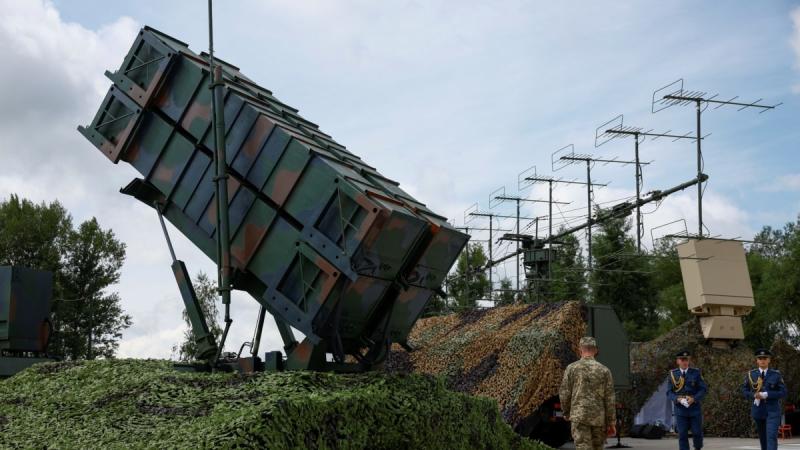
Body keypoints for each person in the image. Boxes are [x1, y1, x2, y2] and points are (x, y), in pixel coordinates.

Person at [559, 336, 616, 450]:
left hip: (579, 417)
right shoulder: (605, 370)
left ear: (580, 349)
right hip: (599, 418)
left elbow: (565, 393)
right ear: (595, 350)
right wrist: (611, 422)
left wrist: (566, 412)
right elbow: (610, 399)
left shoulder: (571, 368)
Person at [742, 348, 787, 450]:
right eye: (760, 358)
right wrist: (753, 395)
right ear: (757, 360)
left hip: (773, 411)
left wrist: (767, 394)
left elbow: (783, 392)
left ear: (769, 360)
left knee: (771, 436)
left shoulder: (776, 374)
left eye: (765, 358)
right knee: (763, 439)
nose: (762, 360)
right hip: (758, 411)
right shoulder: (751, 374)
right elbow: (744, 391)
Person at [666, 350, 708, 450]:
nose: (685, 362)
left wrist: (694, 398)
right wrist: (678, 399)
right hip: (680, 409)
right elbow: (669, 392)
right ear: (678, 361)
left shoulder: (696, 373)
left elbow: (703, 389)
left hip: (694, 408)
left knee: (697, 433)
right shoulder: (673, 374)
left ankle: (698, 447)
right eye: (682, 360)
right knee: (682, 434)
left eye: (686, 360)